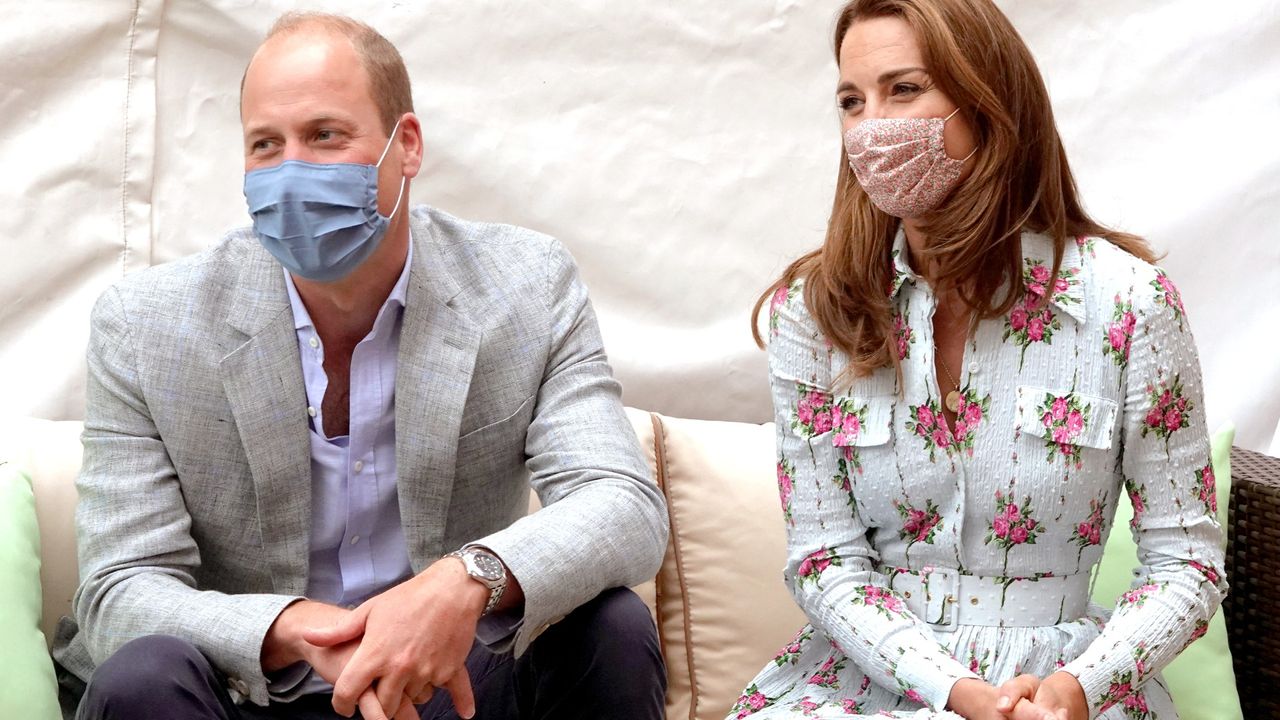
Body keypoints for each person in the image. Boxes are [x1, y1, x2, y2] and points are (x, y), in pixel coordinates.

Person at [51, 12, 668, 720]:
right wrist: (292, 631)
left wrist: (463, 581)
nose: (291, 172)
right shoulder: (145, 323)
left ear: (406, 146)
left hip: (442, 689)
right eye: (264, 146)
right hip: (244, 693)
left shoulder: (525, 286)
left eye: (323, 136)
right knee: (143, 675)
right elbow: (120, 587)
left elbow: (623, 504)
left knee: (611, 626)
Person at [730, 1, 1225, 718]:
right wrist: (957, 694)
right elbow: (823, 559)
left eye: (903, 89)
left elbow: (1187, 564)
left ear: (989, 99)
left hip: (1069, 689)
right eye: (850, 101)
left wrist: (1072, 692)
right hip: (873, 682)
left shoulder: (1130, 305)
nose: (870, 126)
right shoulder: (816, 310)